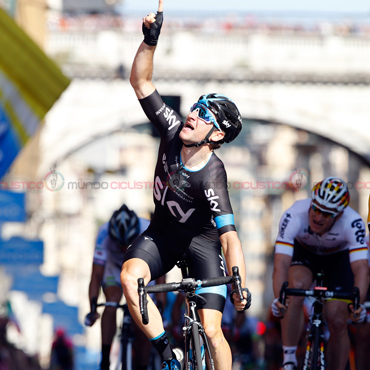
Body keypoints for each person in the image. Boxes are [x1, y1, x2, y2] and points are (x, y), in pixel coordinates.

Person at [120, 1, 251, 370]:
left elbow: (229, 237)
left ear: (218, 134)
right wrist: (150, 41)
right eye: (196, 106)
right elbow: (142, 82)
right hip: (162, 234)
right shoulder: (173, 129)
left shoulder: (213, 174)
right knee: (130, 279)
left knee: (211, 331)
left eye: (205, 114)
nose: (193, 113)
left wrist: (239, 281)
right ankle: (168, 354)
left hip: (202, 244)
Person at [271, 176, 369, 370]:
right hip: (305, 254)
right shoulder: (294, 214)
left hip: (338, 259)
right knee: (295, 289)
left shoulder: (353, 222)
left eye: (327, 214)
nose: (318, 217)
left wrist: (358, 304)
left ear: (340, 215)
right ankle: (289, 360)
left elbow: (361, 269)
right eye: (316, 209)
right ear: (311, 202)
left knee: (337, 317)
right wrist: (279, 299)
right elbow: (281, 264)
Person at [85, 204, 155, 370]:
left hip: (141, 268)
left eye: (127, 245)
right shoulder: (103, 233)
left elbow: (160, 273)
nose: (124, 249)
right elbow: (95, 276)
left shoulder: (147, 229)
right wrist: (93, 308)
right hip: (114, 268)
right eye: (120, 245)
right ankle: (105, 359)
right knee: (111, 304)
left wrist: (160, 302)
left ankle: (143, 364)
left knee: (143, 317)